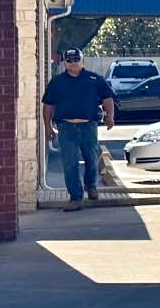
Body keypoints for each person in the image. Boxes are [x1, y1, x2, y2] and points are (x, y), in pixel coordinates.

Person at [42, 48, 117, 210]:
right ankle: (75, 197)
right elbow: (48, 105)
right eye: (70, 60)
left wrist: (109, 116)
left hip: (88, 126)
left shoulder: (94, 79)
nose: (73, 63)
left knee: (91, 159)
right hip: (66, 127)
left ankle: (91, 186)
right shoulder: (57, 82)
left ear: (83, 61)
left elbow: (107, 98)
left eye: (77, 59)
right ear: (65, 63)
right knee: (70, 163)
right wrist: (47, 126)